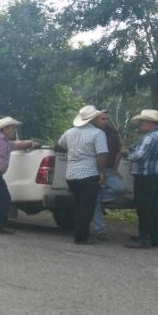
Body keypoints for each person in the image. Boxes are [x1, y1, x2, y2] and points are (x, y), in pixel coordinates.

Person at [0, 117, 41, 234]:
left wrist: (31, 143)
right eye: (12, 128)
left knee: (5, 199)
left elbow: (17, 145)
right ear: (5, 129)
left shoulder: (6, 143)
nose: (14, 130)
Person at [55, 105, 109, 245]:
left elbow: (58, 146)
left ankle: (80, 233)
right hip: (89, 174)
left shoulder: (69, 132)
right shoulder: (98, 134)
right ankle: (81, 237)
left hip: (71, 175)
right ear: (94, 119)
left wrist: (72, 151)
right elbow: (102, 155)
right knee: (87, 208)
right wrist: (102, 173)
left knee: (78, 206)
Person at [122, 109, 158, 249]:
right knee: (153, 207)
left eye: (142, 122)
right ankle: (153, 237)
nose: (141, 124)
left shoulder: (151, 137)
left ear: (150, 123)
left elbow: (140, 156)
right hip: (157, 176)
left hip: (145, 176)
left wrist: (126, 154)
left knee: (143, 208)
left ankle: (144, 238)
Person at [90, 112, 124, 241]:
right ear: (95, 120)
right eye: (102, 119)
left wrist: (115, 168)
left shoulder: (113, 133)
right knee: (94, 201)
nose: (105, 121)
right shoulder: (90, 131)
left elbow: (119, 151)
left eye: (107, 119)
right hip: (93, 169)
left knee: (119, 188)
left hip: (109, 169)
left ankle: (97, 199)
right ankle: (100, 230)